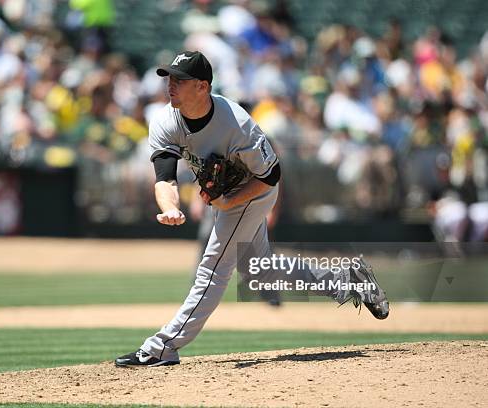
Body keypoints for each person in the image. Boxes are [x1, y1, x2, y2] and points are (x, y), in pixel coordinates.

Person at [115, 51, 389, 368]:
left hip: (253, 193)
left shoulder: (237, 124)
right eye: (170, 78)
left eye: (180, 80)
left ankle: (162, 346)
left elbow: (270, 176)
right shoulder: (165, 120)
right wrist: (170, 208)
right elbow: (164, 179)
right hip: (226, 197)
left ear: (202, 87)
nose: (171, 85)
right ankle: (350, 279)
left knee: (213, 269)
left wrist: (230, 201)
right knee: (261, 273)